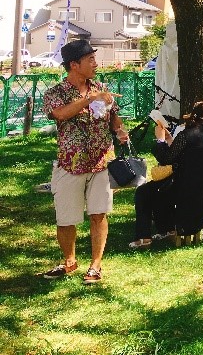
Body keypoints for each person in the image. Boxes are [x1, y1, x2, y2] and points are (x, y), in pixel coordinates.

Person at [40, 39, 129, 284]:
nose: (95, 63)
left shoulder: (100, 87)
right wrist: (91, 99)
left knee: (99, 213)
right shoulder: (55, 93)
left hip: (100, 162)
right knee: (66, 218)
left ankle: (95, 265)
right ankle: (69, 260)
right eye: (90, 59)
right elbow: (60, 114)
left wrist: (120, 130)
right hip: (70, 164)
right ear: (74, 65)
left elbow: (114, 117)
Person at [129, 101, 203, 248]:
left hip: (186, 191)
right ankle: (167, 229)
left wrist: (160, 140)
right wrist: (169, 140)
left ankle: (144, 237)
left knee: (144, 192)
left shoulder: (187, 134)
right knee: (159, 190)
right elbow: (185, 155)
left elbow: (166, 159)